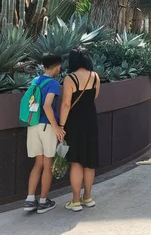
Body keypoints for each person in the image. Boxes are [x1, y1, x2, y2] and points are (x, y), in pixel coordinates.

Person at [59, 47, 100, 212]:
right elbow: (94, 97)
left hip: (74, 123)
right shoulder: (95, 76)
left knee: (75, 161)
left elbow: (66, 104)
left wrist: (61, 126)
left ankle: (75, 201)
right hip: (91, 121)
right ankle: (88, 197)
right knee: (89, 162)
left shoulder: (70, 79)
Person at [24, 53, 64, 214]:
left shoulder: (35, 81)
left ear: (43, 67)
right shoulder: (54, 84)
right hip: (47, 127)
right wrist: (56, 127)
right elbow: (47, 106)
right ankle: (43, 201)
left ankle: (29, 199)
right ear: (58, 67)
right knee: (47, 164)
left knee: (38, 163)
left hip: (32, 125)